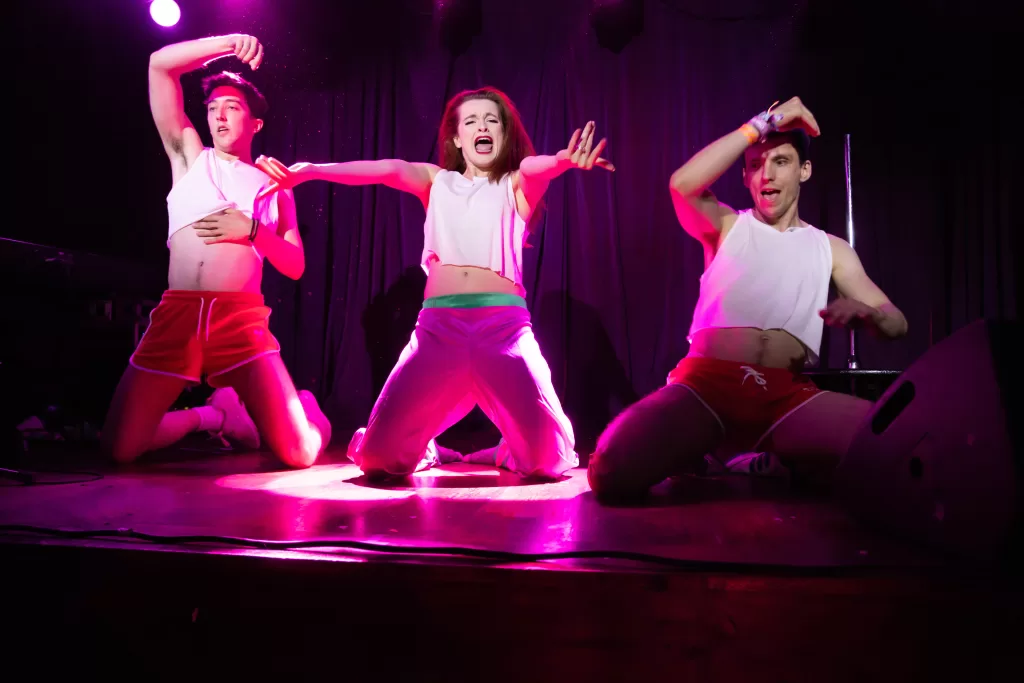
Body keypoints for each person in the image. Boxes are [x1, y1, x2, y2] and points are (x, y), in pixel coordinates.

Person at [255, 87, 613, 480]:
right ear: (458, 138)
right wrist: (313, 171)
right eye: (471, 120)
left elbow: (535, 167)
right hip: (437, 334)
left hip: (504, 333)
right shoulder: (436, 181)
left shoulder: (515, 184)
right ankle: (426, 447)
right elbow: (388, 169)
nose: (482, 126)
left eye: (492, 120)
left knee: (547, 462)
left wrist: (563, 160)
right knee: (377, 460)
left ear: (504, 135)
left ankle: (507, 448)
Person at [587, 97, 907, 499]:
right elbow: (681, 184)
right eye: (755, 165)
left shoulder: (831, 248)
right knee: (611, 471)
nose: (765, 175)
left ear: (805, 170)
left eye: (781, 162)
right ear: (744, 176)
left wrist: (870, 315)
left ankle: (749, 458)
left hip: (784, 395)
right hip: (706, 386)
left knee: (897, 442)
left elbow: (897, 321)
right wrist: (763, 122)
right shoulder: (725, 225)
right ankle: (731, 454)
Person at [101, 34, 331, 468]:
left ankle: (307, 406)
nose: (220, 116)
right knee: (119, 448)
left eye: (233, 107)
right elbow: (159, 64)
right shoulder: (189, 156)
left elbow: (295, 265)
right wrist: (228, 43)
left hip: (240, 323)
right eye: (212, 108)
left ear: (256, 123)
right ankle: (213, 415)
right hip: (178, 318)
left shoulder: (273, 185)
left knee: (300, 453)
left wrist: (252, 232)